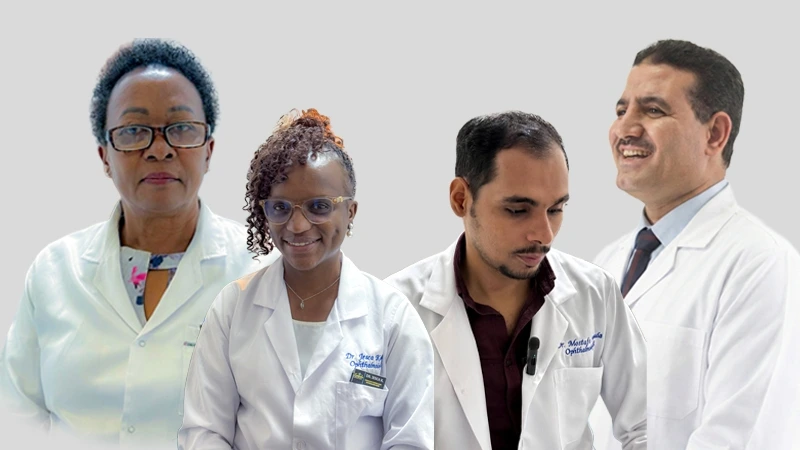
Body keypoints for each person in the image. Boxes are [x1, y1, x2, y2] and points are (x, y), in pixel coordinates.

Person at [0, 39, 277, 449]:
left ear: (209, 151)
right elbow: (17, 416)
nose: (159, 150)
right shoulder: (54, 271)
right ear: (104, 156)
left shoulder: (261, 272)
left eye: (181, 128)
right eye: (133, 132)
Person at [384, 110, 647, 450]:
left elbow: (645, 424)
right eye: (518, 210)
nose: (544, 233)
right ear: (461, 199)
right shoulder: (395, 309)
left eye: (556, 209)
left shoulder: (596, 295)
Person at [177, 108, 434, 450]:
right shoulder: (232, 308)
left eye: (319, 207)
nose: (297, 226)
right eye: (280, 208)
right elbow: (204, 432)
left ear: (350, 211)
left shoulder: (392, 318)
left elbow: (410, 441)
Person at [593, 39, 800, 450]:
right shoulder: (607, 263)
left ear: (715, 133)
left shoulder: (760, 263)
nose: (625, 129)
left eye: (653, 110)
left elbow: (739, 436)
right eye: (621, 110)